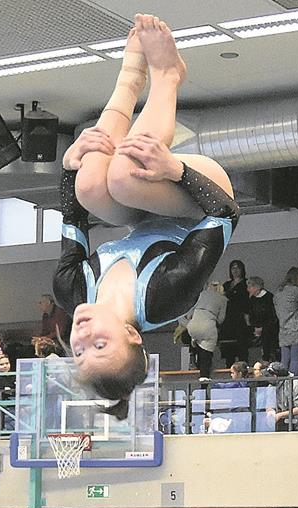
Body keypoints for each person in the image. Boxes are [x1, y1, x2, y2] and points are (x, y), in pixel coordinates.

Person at [53, 15, 238, 420]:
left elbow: (73, 218)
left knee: (89, 186)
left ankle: (129, 79)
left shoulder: (71, 291)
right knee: (124, 174)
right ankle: (167, 76)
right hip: (198, 199)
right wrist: (176, 171)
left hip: (142, 211)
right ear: (131, 335)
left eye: (79, 351)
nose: (82, 336)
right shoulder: (165, 294)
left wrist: (71, 164)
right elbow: (224, 214)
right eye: (100, 346)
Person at [178, 281, 226, 377]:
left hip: (193, 326)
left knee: (193, 336)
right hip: (208, 327)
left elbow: (189, 313)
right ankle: (204, 379)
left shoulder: (201, 295)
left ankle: (193, 354)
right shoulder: (223, 299)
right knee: (206, 355)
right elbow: (221, 319)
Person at [218, 259, 251, 367]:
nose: (235, 270)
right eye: (233, 268)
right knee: (228, 352)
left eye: (238, 268)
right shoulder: (226, 285)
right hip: (227, 320)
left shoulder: (246, 284)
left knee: (242, 349)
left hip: (240, 319)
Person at [264, 361, 298, 432]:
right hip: (281, 420)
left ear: (275, 376)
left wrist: (279, 415)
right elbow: (269, 405)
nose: (267, 378)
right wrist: (270, 413)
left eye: (269, 376)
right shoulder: (271, 386)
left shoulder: (296, 384)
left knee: (297, 418)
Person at [246, 277, 279, 363]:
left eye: (250, 287)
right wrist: (254, 327)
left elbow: (272, 317)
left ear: (257, 287)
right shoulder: (251, 299)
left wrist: (262, 328)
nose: (248, 290)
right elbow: (251, 315)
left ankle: (267, 357)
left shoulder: (269, 298)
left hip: (269, 327)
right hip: (256, 327)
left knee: (267, 336)